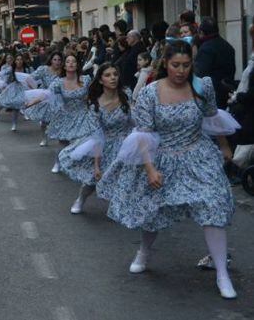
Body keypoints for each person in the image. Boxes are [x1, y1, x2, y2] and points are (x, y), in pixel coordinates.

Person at [97, 40, 238, 299]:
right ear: (165, 64)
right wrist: (150, 169)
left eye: (186, 65)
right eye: (176, 65)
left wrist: (224, 146)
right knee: (154, 210)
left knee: (214, 203)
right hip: (162, 157)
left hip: (198, 155)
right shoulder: (151, 92)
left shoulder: (201, 86)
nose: (181, 70)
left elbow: (211, 116)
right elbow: (143, 135)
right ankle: (144, 251)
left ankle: (222, 273)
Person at [57, 63, 132, 214]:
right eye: (108, 75)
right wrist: (97, 165)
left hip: (126, 142)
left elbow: (134, 118)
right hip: (103, 144)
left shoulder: (126, 94)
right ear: (100, 80)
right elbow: (97, 136)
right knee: (93, 179)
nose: (113, 78)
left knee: (125, 177)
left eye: (115, 74)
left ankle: (117, 206)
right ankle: (81, 199)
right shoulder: (95, 105)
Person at [26, 54, 97, 173]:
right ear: (64, 66)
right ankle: (57, 163)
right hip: (66, 115)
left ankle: (81, 165)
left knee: (83, 140)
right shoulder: (59, 82)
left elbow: (94, 94)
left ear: (77, 65)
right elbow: (47, 94)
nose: (71, 64)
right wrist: (32, 102)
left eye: (73, 61)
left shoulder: (85, 79)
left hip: (83, 114)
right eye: (68, 61)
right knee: (63, 142)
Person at [194, 17, 236, 108]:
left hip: (213, 95)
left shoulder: (205, 49)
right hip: (227, 91)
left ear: (202, 33)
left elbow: (200, 74)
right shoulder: (228, 46)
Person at [25, 51, 64, 146]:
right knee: (44, 122)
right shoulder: (44, 69)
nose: (57, 62)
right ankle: (44, 138)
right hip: (45, 98)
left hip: (60, 99)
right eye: (55, 59)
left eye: (59, 60)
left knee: (59, 121)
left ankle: (60, 139)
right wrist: (35, 90)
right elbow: (30, 78)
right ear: (51, 60)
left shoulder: (64, 71)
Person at [0, 52, 32, 131]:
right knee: (15, 107)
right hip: (14, 88)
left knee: (27, 103)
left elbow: (30, 79)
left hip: (24, 88)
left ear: (23, 61)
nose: (19, 61)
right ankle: (14, 124)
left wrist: (30, 86)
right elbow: (7, 79)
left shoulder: (27, 69)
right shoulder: (11, 69)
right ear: (15, 61)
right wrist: (5, 87)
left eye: (21, 60)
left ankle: (26, 113)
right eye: (17, 60)